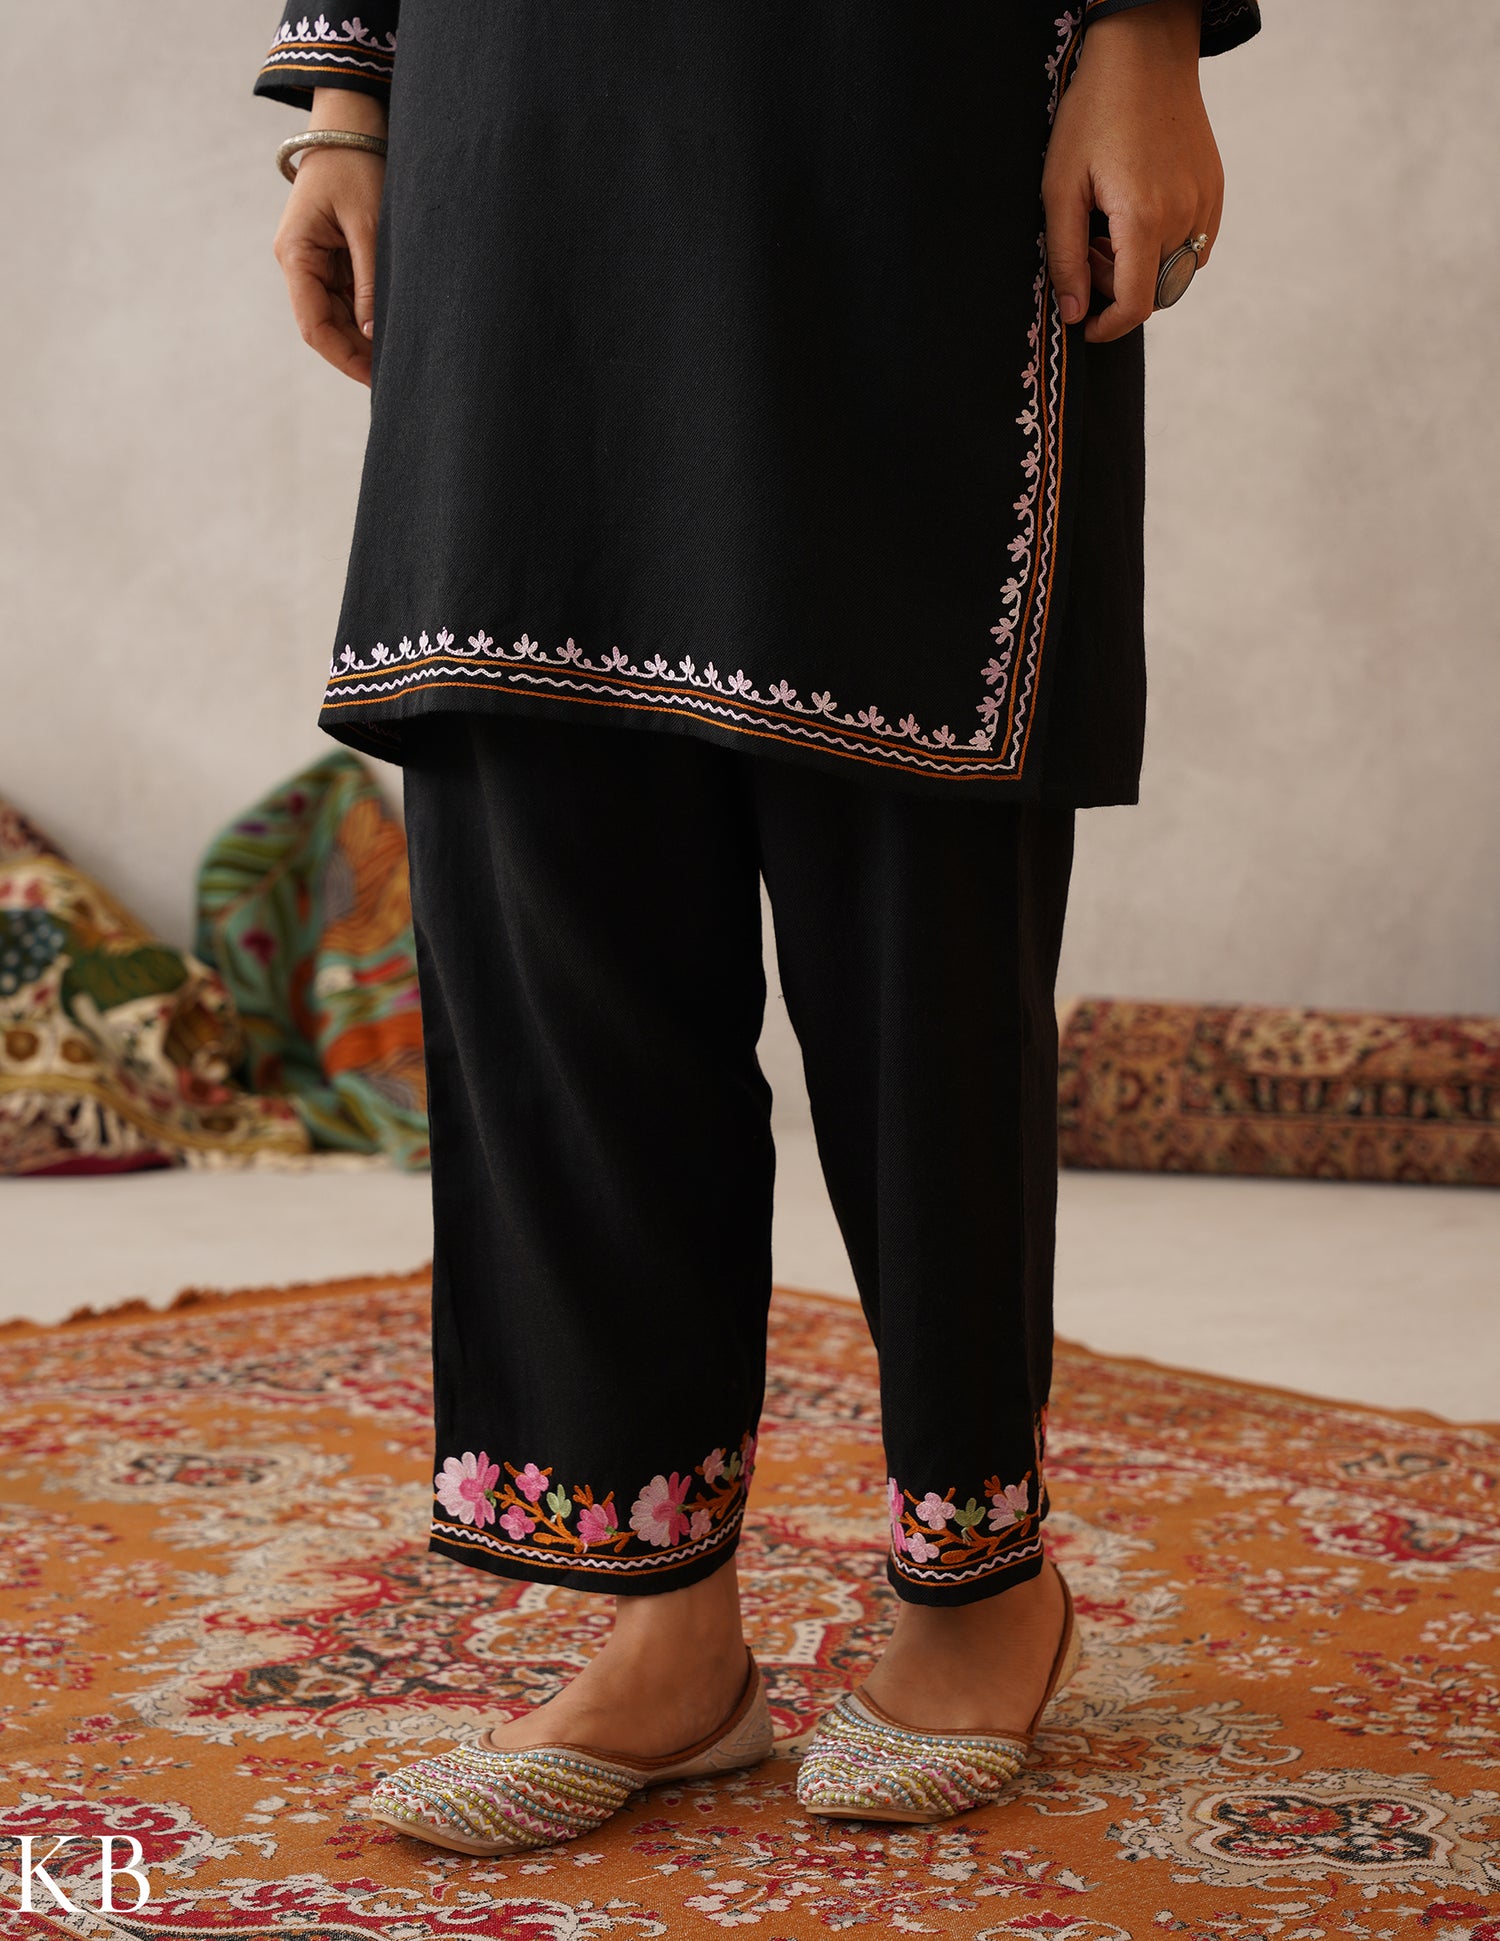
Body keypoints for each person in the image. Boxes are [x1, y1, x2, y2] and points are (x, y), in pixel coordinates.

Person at [256, 0, 1259, 1855]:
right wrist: (348, 93)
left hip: (893, 114)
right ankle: (664, 1629)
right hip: (516, 120)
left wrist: (1149, 32)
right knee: (546, 858)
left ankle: (980, 1583)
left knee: (913, 901)